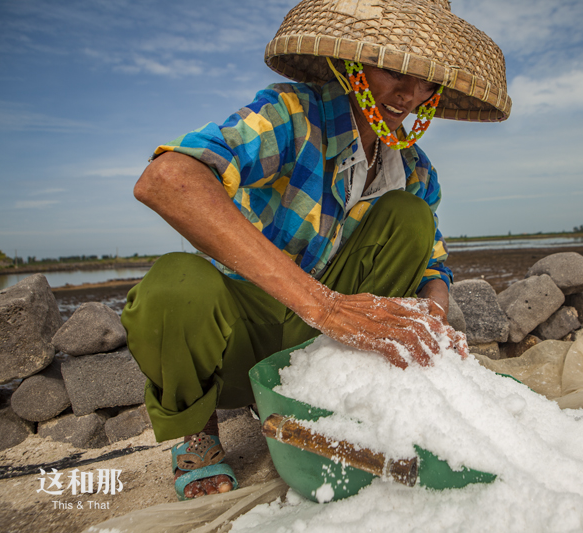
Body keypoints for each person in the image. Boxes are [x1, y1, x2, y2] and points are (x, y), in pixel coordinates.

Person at [121, 0, 510, 500]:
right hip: (243, 331)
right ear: (355, 62)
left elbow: (432, 263)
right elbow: (167, 178)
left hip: (325, 345)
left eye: (425, 81)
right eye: (393, 70)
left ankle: (320, 394)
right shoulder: (292, 113)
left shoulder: (415, 171)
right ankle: (198, 432)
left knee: (410, 218)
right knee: (175, 285)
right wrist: (325, 306)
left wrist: (431, 329)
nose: (409, 94)